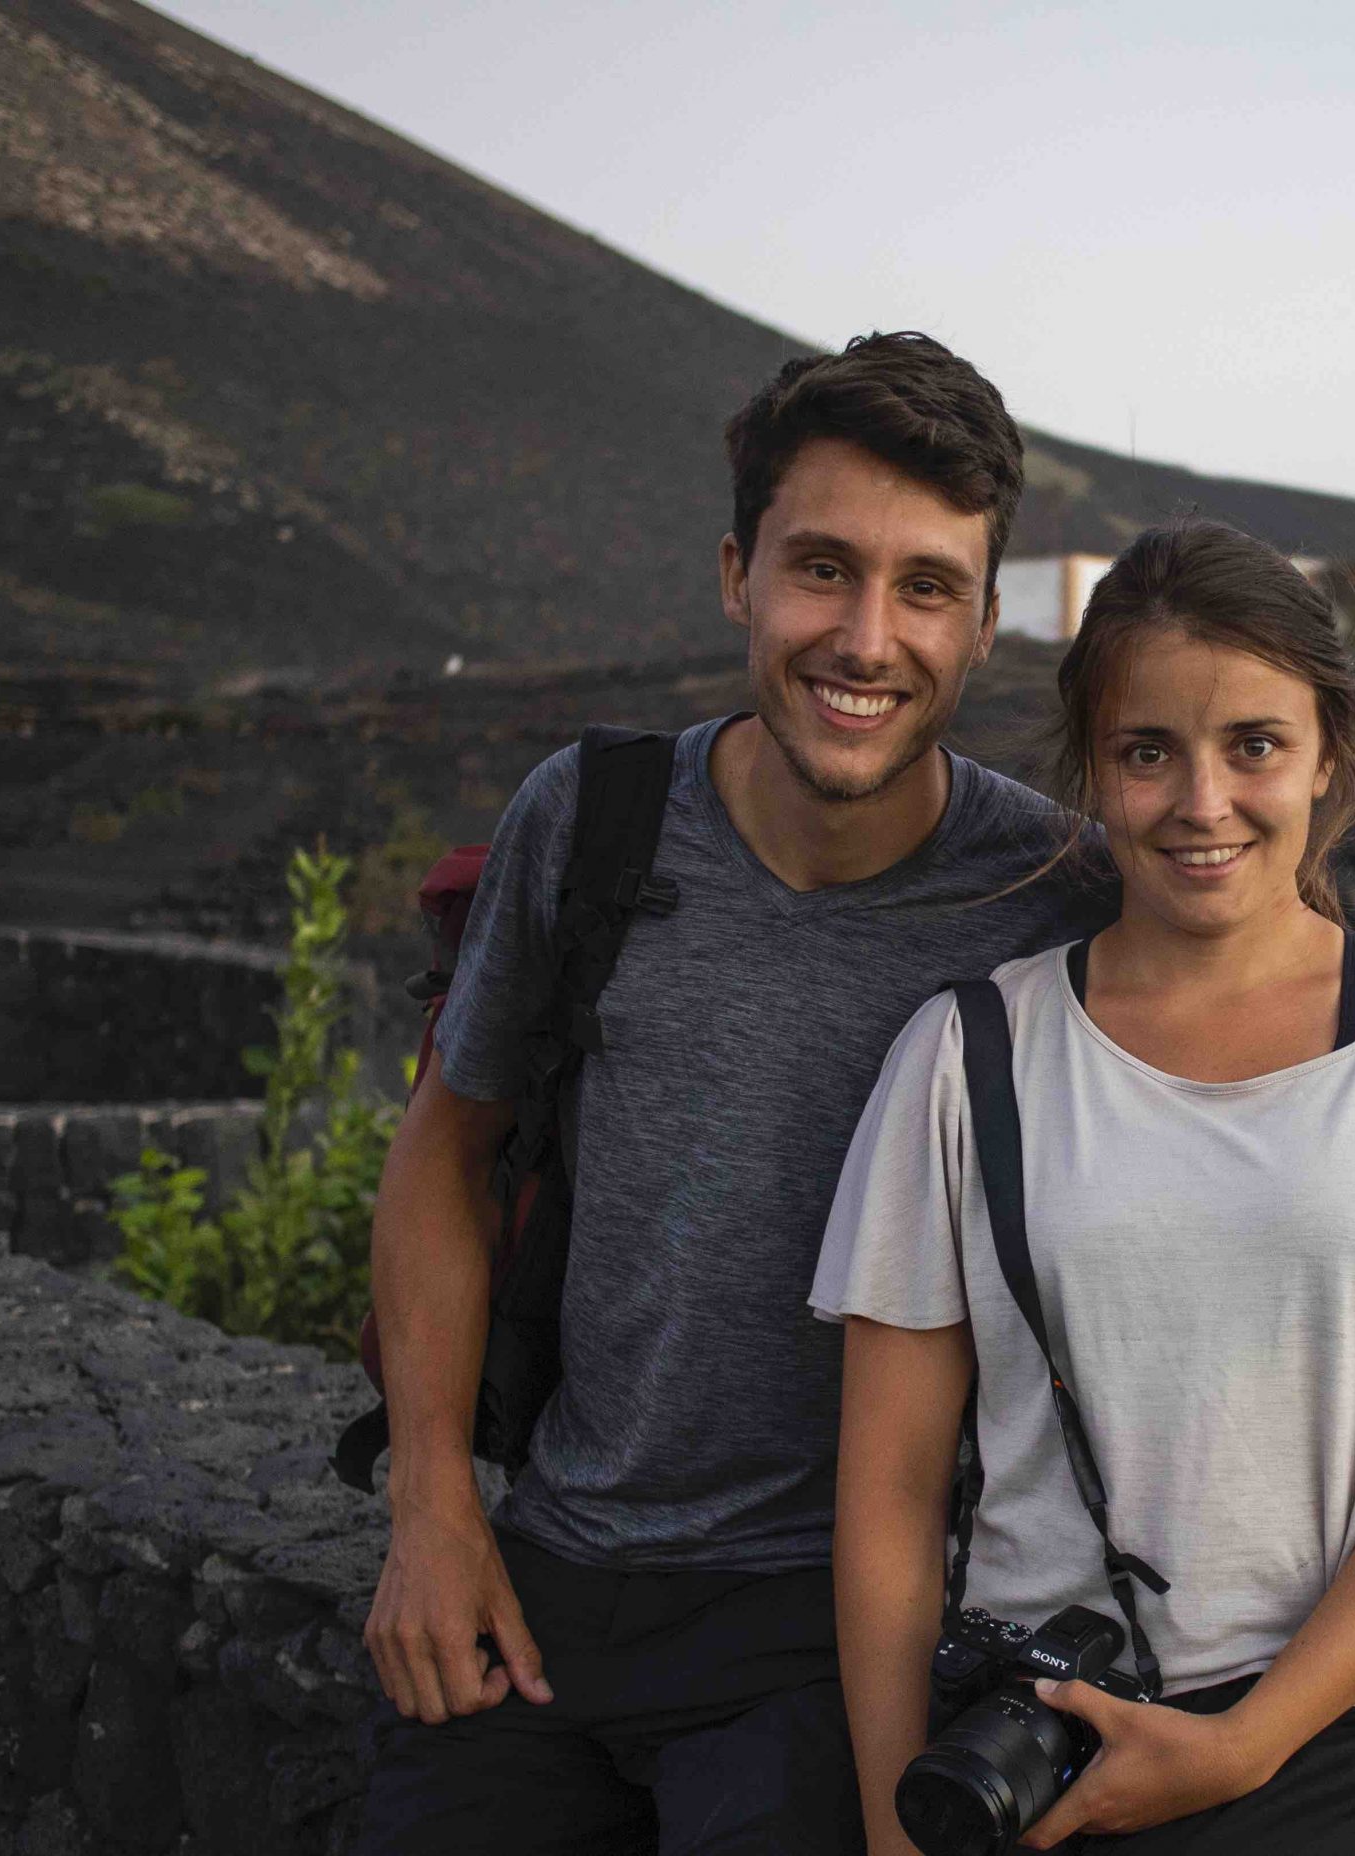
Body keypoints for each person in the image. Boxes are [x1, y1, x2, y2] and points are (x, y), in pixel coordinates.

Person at [355, 333, 1119, 1854]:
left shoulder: (1057, 899)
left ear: (982, 629)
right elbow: (448, 1149)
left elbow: (1239, 1203)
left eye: (925, 589)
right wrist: (432, 1504)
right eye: (821, 568)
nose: (865, 636)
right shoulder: (591, 818)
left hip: (841, 1626)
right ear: (735, 575)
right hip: (546, 1572)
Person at [815, 520, 1355, 1854]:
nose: (1202, 802)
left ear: (1328, 758)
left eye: (1254, 744)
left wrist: (1246, 1744)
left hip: (1333, 1754)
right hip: (1034, 1750)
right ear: (1093, 768)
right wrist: (895, 1826)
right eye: (1149, 752)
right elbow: (889, 1491)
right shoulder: (969, 1055)